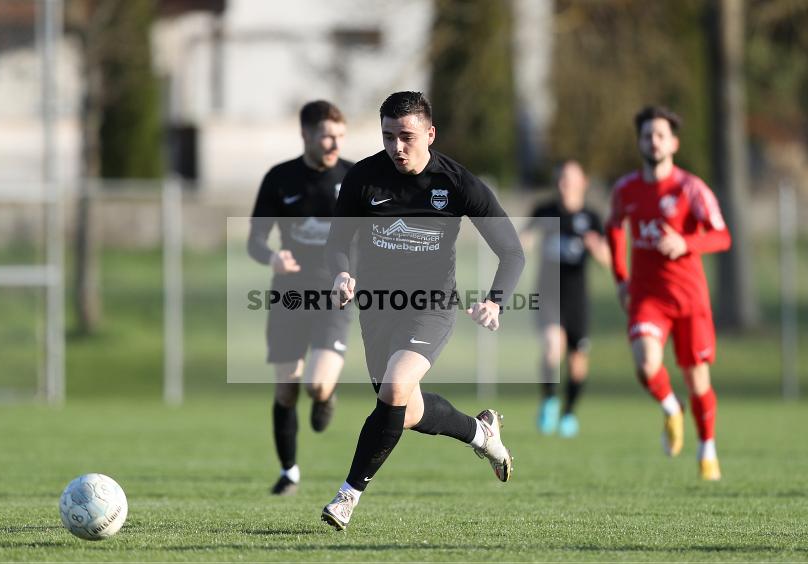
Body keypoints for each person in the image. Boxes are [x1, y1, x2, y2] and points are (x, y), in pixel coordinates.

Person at [320, 91, 525, 530]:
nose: (397, 147)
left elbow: (512, 252)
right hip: (377, 310)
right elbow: (337, 243)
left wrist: (495, 301)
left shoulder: (457, 183)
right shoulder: (363, 178)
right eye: (388, 136)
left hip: (430, 308)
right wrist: (340, 274)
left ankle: (347, 495)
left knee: (393, 389)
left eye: (407, 137)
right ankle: (481, 433)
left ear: (430, 134)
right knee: (406, 410)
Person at [606, 106, 731, 481]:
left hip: (690, 299)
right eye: (647, 135)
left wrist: (686, 242)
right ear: (639, 142)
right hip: (647, 296)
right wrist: (621, 279)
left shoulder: (691, 189)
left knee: (698, 382)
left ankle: (707, 448)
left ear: (673, 142)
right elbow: (614, 229)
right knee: (646, 364)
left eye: (660, 135)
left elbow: (722, 236)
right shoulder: (625, 189)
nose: (653, 141)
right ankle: (670, 407)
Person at [248, 100, 354, 496]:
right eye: (327, 135)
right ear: (306, 135)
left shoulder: (354, 177)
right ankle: (289, 471)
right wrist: (272, 256)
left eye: (340, 137)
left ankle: (327, 396)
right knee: (286, 389)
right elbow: (255, 241)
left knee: (317, 387)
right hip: (289, 297)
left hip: (335, 298)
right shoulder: (279, 179)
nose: (334, 144)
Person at [523, 161, 610, 438]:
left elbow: (609, 260)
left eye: (571, 180)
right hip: (547, 293)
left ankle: (569, 413)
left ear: (583, 183)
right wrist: (525, 242)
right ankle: (549, 399)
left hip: (577, 298)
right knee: (552, 346)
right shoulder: (544, 211)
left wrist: (596, 247)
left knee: (577, 361)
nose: (565, 185)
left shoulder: (592, 217)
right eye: (560, 179)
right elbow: (522, 239)